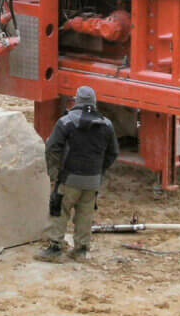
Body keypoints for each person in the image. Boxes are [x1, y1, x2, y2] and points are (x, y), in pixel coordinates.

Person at [36, 86, 118, 262]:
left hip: (69, 178)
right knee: (85, 213)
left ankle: (55, 249)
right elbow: (113, 153)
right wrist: (99, 171)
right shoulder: (107, 124)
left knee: (59, 209)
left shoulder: (66, 122)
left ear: (77, 101)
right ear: (94, 102)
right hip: (93, 180)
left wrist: (54, 173)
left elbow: (52, 148)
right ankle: (81, 250)